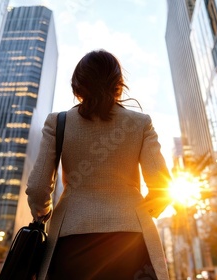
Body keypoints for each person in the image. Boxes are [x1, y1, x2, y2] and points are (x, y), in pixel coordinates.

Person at [26, 49, 172, 280]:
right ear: (118, 84)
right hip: (131, 238)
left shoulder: (58, 122)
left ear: (77, 85)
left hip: (70, 236)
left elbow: (37, 187)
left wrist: (42, 213)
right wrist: (142, 212)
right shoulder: (141, 123)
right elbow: (162, 188)